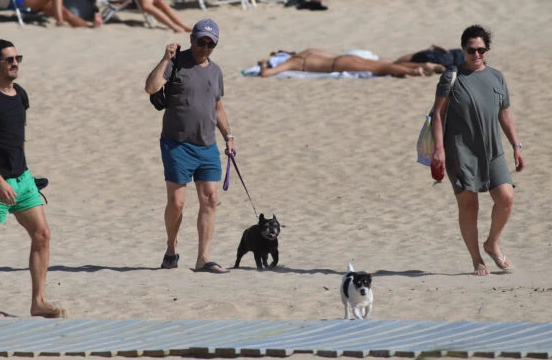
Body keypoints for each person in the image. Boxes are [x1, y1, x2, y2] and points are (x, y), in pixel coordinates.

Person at [0, 39, 65, 318]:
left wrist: (26, 175)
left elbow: (16, 139)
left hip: (22, 179)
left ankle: (38, 301)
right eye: (8, 59)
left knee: (42, 235)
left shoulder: (20, 94)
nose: (15, 63)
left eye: (17, 58)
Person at [430, 25, 525, 277]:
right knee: (470, 206)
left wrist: (516, 145)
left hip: (492, 149)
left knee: (506, 197)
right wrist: (439, 149)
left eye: (482, 49)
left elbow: (505, 113)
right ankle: (476, 260)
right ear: (463, 50)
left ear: (487, 50)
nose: (477, 54)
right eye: (471, 50)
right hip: (461, 151)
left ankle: (492, 242)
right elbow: (438, 114)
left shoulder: (496, 77)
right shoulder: (452, 77)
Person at [144, 19, 234, 274]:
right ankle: (171, 248)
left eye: (210, 44)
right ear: (192, 39)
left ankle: (203, 258)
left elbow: (217, 108)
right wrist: (165, 58)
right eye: (201, 41)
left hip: (207, 145)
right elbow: (151, 87)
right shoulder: (175, 63)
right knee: (177, 203)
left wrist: (229, 136)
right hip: (176, 143)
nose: (205, 47)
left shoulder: (215, 71)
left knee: (211, 199)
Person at [252, 48, 444, 78]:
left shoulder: (293, 62)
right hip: (344, 57)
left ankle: (416, 71)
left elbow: (265, 74)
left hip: (340, 66)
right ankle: (424, 65)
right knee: (384, 63)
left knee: (382, 68)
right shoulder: (305, 52)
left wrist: (263, 64)